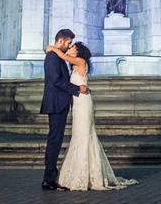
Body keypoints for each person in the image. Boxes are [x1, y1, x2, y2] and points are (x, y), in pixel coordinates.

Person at [45, 40, 137, 191]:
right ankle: (82, 173)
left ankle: (85, 175)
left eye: (72, 46)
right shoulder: (75, 64)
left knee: (84, 136)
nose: (70, 47)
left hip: (83, 104)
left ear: (78, 52)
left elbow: (63, 56)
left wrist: (52, 48)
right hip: (78, 104)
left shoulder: (80, 61)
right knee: (79, 136)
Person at [40, 29, 85, 191]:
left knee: (56, 140)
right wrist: (76, 89)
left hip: (59, 103)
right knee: (54, 140)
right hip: (56, 103)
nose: (69, 45)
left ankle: (50, 178)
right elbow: (56, 81)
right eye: (68, 43)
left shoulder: (55, 55)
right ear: (61, 41)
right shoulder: (52, 57)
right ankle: (48, 179)